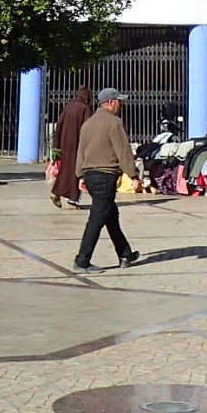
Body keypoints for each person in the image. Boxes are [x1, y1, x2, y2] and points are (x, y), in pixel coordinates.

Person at [72, 87, 140, 273]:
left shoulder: (88, 124)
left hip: (90, 175)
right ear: (111, 102)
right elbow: (123, 150)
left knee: (111, 216)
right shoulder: (114, 123)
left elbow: (81, 151)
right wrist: (133, 174)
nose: (121, 104)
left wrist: (80, 175)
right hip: (105, 176)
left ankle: (125, 253)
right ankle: (82, 261)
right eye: (119, 101)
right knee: (97, 218)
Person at [51, 85, 92, 209]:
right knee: (77, 172)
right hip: (78, 145)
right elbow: (87, 128)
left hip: (65, 145)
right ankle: (73, 200)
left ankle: (56, 192)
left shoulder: (68, 107)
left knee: (65, 170)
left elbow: (59, 125)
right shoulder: (86, 109)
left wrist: (56, 144)